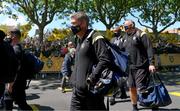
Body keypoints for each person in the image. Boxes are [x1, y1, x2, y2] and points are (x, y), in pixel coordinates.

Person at [69, 12, 114, 110]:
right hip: (77, 92)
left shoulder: (95, 37)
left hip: (91, 93)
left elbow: (105, 59)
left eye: (74, 24)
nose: (72, 27)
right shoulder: (79, 39)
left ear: (83, 23)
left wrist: (92, 78)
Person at [119, 20, 156, 111]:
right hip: (130, 67)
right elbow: (120, 50)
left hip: (141, 66)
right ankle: (134, 107)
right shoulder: (124, 37)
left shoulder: (141, 34)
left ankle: (153, 103)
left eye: (126, 27)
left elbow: (149, 49)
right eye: (124, 27)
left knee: (141, 88)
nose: (124, 29)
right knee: (132, 88)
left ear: (132, 26)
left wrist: (151, 64)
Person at [5, 28, 32, 110]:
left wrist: (10, 84)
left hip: (15, 83)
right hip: (18, 82)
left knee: (11, 102)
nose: (8, 37)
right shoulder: (17, 47)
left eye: (9, 35)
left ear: (14, 36)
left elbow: (16, 68)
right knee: (20, 103)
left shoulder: (16, 49)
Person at [109, 26, 128, 105]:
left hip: (122, 62)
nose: (115, 33)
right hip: (113, 62)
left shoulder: (124, 39)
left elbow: (125, 49)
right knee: (115, 78)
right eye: (114, 31)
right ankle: (113, 96)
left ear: (120, 31)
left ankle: (122, 93)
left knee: (120, 78)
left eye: (116, 31)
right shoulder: (112, 40)